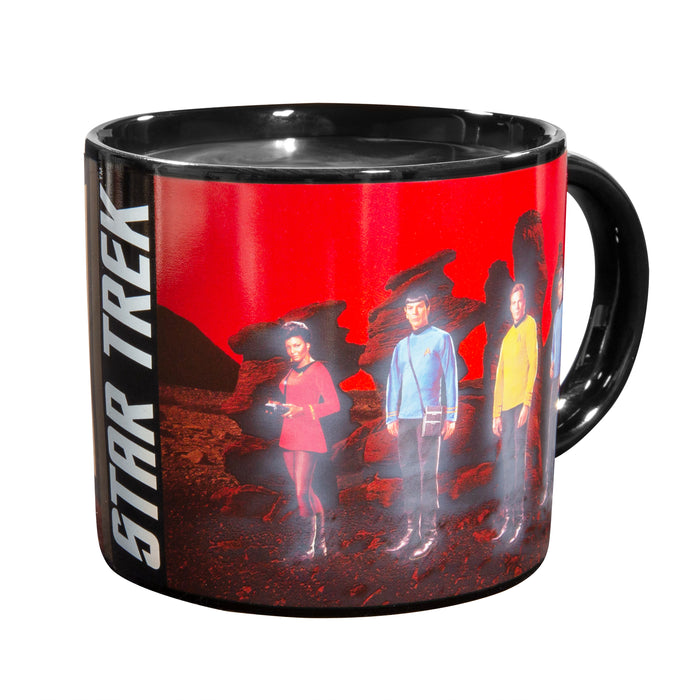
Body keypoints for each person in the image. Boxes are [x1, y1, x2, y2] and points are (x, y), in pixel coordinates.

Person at [385, 292, 458, 561]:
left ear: (428, 307)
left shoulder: (442, 338)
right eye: (410, 308)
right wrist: (391, 416)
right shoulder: (401, 346)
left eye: (419, 307)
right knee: (409, 475)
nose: (414, 312)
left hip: (430, 416)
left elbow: (450, 376)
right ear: (405, 313)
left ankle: (429, 533)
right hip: (405, 418)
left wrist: (452, 415)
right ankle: (410, 531)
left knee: (428, 475)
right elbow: (394, 381)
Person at [275, 321, 340, 559]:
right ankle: (320, 545)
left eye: (297, 345)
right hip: (288, 435)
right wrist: (280, 407)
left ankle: (311, 546)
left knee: (302, 492)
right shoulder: (292, 370)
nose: (292, 351)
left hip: (308, 434)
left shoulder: (318, 369)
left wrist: (302, 410)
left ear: (307, 345)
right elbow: (292, 398)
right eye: (289, 347)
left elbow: (334, 404)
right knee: (305, 491)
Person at [492, 283, 539, 544]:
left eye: (520, 301)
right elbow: (499, 376)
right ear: (509, 307)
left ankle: (519, 519)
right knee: (508, 461)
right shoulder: (508, 337)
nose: (517, 306)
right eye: (513, 302)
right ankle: (508, 518)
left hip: (520, 405)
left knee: (519, 461)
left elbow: (533, 363)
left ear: (525, 302)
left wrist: (527, 403)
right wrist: (495, 413)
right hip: (506, 408)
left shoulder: (530, 325)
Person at [540, 265, 563, 506]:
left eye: (561, 284)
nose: (559, 289)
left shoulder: (559, 312)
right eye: (557, 284)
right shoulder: (556, 313)